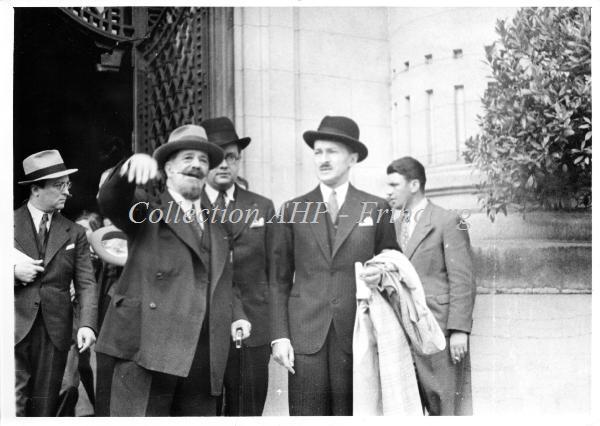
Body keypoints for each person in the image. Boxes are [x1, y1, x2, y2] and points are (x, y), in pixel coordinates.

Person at [95, 124, 249, 416]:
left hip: (202, 356)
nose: (196, 165)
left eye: (203, 160)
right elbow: (111, 200)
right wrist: (129, 169)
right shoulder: (148, 211)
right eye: (188, 158)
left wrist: (238, 315)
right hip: (147, 350)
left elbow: (224, 281)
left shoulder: (218, 224)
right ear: (168, 168)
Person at [270, 116, 398, 415]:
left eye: (332, 152)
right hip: (305, 336)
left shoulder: (375, 207)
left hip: (357, 334)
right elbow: (278, 279)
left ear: (352, 158)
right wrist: (280, 336)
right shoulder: (292, 209)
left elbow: (393, 261)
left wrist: (381, 274)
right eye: (318, 152)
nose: (323, 159)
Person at [385, 156, 476, 415]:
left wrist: (459, 331)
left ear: (414, 185)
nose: (388, 192)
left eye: (394, 185)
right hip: (403, 334)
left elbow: (463, 280)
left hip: (440, 333)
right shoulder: (392, 226)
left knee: (446, 408)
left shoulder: (449, 220)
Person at [14, 149, 98, 416]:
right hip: (13, 327)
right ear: (35, 190)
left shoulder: (76, 232)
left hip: (56, 333)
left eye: (67, 185)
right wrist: (12, 272)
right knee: (13, 405)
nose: (67, 192)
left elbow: (86, 283)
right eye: (59, 186)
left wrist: (87, 324)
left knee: (47, 407)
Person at [201, 117, 275, 416]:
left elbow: (276, 270)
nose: (224, 164)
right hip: (203, 329)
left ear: (239, 160)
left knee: (248, 412)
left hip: (254, 328)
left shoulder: (262, 206)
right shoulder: (186, 207)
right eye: (216, 157)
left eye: (231, 157)